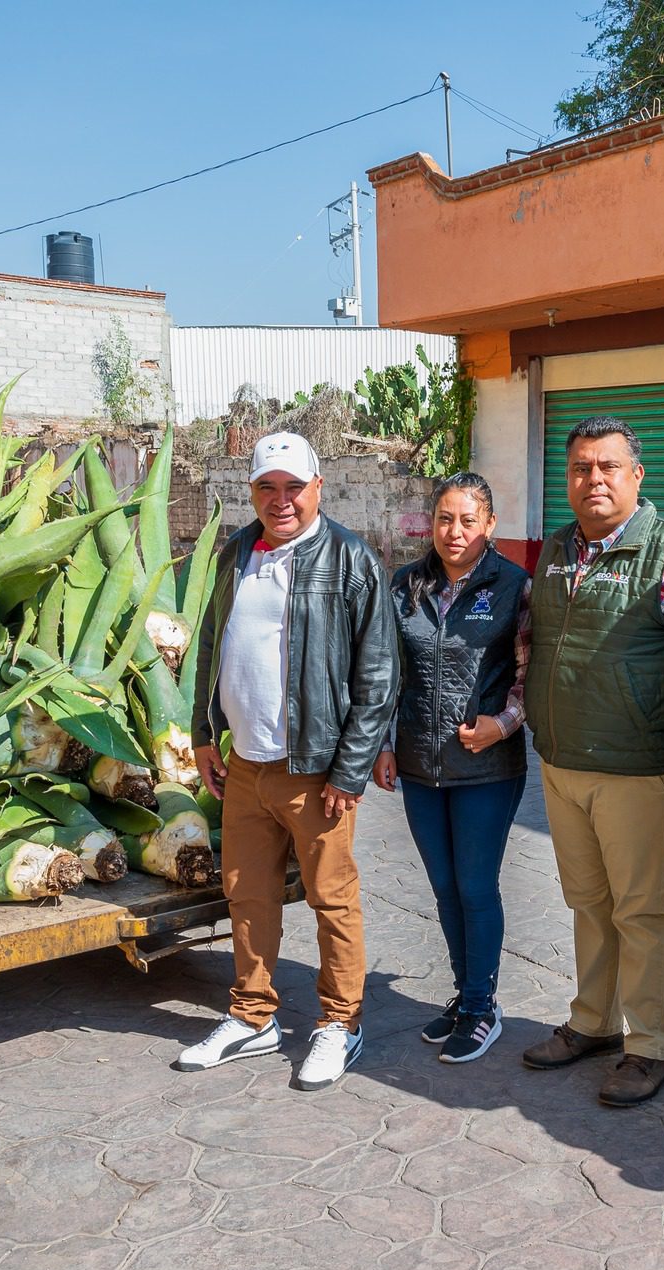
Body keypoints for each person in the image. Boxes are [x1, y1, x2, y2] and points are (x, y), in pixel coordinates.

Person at [176, 432, 398, 1093]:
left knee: (332, 900)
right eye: (267, 488)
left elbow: (379, 671)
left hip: (316, 768)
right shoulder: (238, 551)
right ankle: (252, 1015)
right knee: (249, 894)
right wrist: (203, 732)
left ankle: (341, 1022)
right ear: (251, 492)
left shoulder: (350, 560)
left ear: (318, 486)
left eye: (293, 487)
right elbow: (212, 643)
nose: (281, 501)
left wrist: (349, 769)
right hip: (246, 763)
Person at [520, 415, 664, 1107]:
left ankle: (651, 1045)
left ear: (637, 476)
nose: (593, 479)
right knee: (588, 903)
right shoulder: (553, 549)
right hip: (563, 758)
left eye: (608, 466)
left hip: (639, 765)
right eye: (581, 467)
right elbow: (535, 648)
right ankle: (594, 1022)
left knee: (642, 909)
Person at [371, 472, 532, 1064]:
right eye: (445, 518)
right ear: (430, 523)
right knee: (443, 887)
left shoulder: (515, 586)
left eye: (468, 520)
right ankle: (466, 995)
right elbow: (388, 673)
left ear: (490, 524)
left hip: (486, 768)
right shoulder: (406, 585)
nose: (455, 531)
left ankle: (481, 1007)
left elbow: (528, 677)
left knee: (475, 885)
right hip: (418, 765)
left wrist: (502, 725)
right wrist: (385, 744)